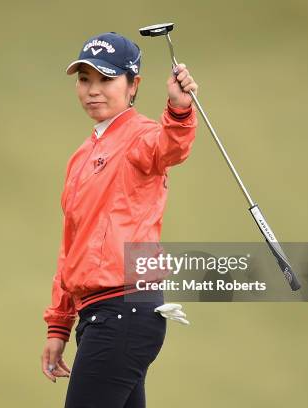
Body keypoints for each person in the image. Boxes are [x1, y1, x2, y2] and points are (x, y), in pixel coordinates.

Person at [41, 31, 199, 407]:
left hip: (123, 311)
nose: (93, 90)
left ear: (133, 85)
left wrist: (179, 110)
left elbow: (171, 147)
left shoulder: (141, 135)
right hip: (102, 314)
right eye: (84, 80)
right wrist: (59, 322)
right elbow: (72, 244)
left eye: (106, 79)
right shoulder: (81, 157)